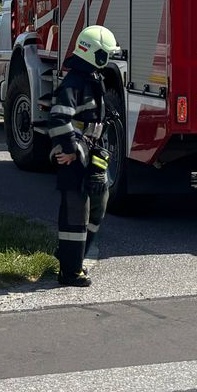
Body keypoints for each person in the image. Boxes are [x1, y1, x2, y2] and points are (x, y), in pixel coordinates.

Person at [45, 24, 118, 288]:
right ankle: (70, 271)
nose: (109, 58)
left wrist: (97, 159)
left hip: (90, 154)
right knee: (76, 213)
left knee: (99, 203)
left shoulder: (92, 78)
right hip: (74, 158)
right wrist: (70, 151)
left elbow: (96, 124)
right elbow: (58, 119)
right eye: (106, 53)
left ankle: (71, 257)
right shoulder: (74, 84)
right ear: (95, 54)